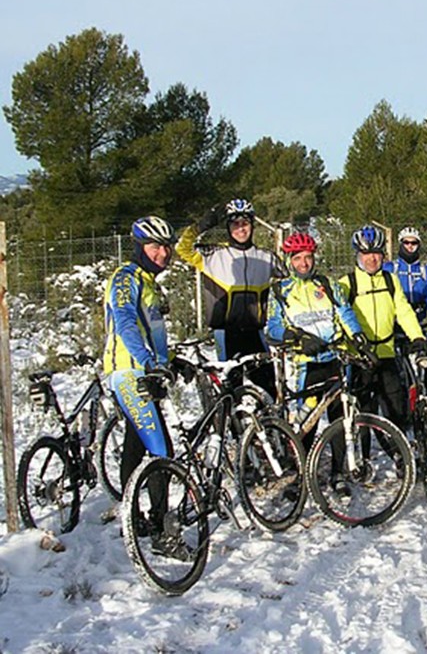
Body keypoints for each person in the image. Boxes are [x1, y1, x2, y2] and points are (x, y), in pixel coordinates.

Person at [266, 230, 377, 493]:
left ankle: (338, 474)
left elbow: (345, 314)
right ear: (289, 260)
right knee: (307, 423)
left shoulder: (328, 285)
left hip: (334, 360)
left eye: (308, 257)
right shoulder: (280, 290)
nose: (304, 263)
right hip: (305, 365)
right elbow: (272, 327)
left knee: (340, 419)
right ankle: (302, 476)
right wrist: (295, 336)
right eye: (298, 258)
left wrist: (359, 338)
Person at [103, 216, 185, 557]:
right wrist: (148, 362)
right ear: (139, 247)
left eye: (166, 247)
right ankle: (162, 533)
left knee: (135, 447)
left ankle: (133, 518)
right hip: (130, 372)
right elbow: (124, 322)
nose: (163, 253)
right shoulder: (126, 278)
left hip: (145, 371)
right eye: (155, 247)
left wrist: (172, 361)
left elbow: (153, 332)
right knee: (161, 450)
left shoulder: (149, 282)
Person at [175, 198, 285, 399]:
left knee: (271, 390)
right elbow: (181, 248)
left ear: (252, 225)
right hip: (226, 333)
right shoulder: (213, 254)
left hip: (255, 333)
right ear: (228, 227)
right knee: (231, 392)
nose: (241, 229)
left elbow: (289, 283)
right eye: (235, 224)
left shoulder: (267, 257)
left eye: (245, 223)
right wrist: (201, 226)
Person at [338, 225, 427, 435]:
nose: (372, 259)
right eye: (366, 254)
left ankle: (399, 453)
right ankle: (363, 454)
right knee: (363, 417)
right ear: (358, 255)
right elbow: (340, 317)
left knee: (397, 414)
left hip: (387, 354)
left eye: (377, 253)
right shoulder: (346, 283)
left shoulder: (390, 280)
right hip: (361, 358)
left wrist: (417, 336)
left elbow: (403, 311)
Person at [384, 226, 427, 417]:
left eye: (414, 243)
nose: (410, 246)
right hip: (395, 325)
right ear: (400, 244)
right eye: (406, 242)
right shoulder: (391, 268)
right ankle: (398, 406)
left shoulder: (425, 271)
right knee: (397, 366)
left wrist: (424, 305)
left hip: (418, 326)